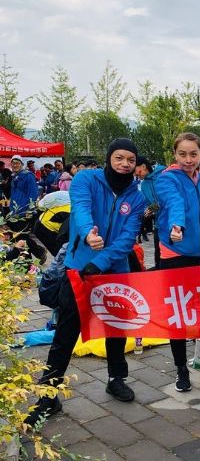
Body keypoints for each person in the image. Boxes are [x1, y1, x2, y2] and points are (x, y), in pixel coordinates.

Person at [24, 138, 145, 428]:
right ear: (109, 157)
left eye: (130, 160)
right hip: (79, 269)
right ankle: (48, 395)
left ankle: (116, 379)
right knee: (66, 332)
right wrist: (89, 234)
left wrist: (101, 261)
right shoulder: (86, 180)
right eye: (119, 158)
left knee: (115, 328)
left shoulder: (136, 196)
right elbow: (81, 210)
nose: (125, 164)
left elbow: (128, 238)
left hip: (114, 270)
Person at [156, 132, 200, 392]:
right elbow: (175, 202)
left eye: (193, 154)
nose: (188, 160)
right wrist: (176, 225)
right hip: (175, 253)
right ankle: (181, 369)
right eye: (182, 154)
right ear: (174, 154)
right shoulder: (167, 179)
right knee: (178, 314)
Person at [134, 155, 165, 268]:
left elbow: (167, 201)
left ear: (143, 166)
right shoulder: (144, 185)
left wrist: (153, 208)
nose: (137, 175)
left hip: (172, 224)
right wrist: (147, 211)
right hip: (158, 225)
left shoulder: (164, 175)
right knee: (158, 257)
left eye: (138, 172)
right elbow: (148, 204)